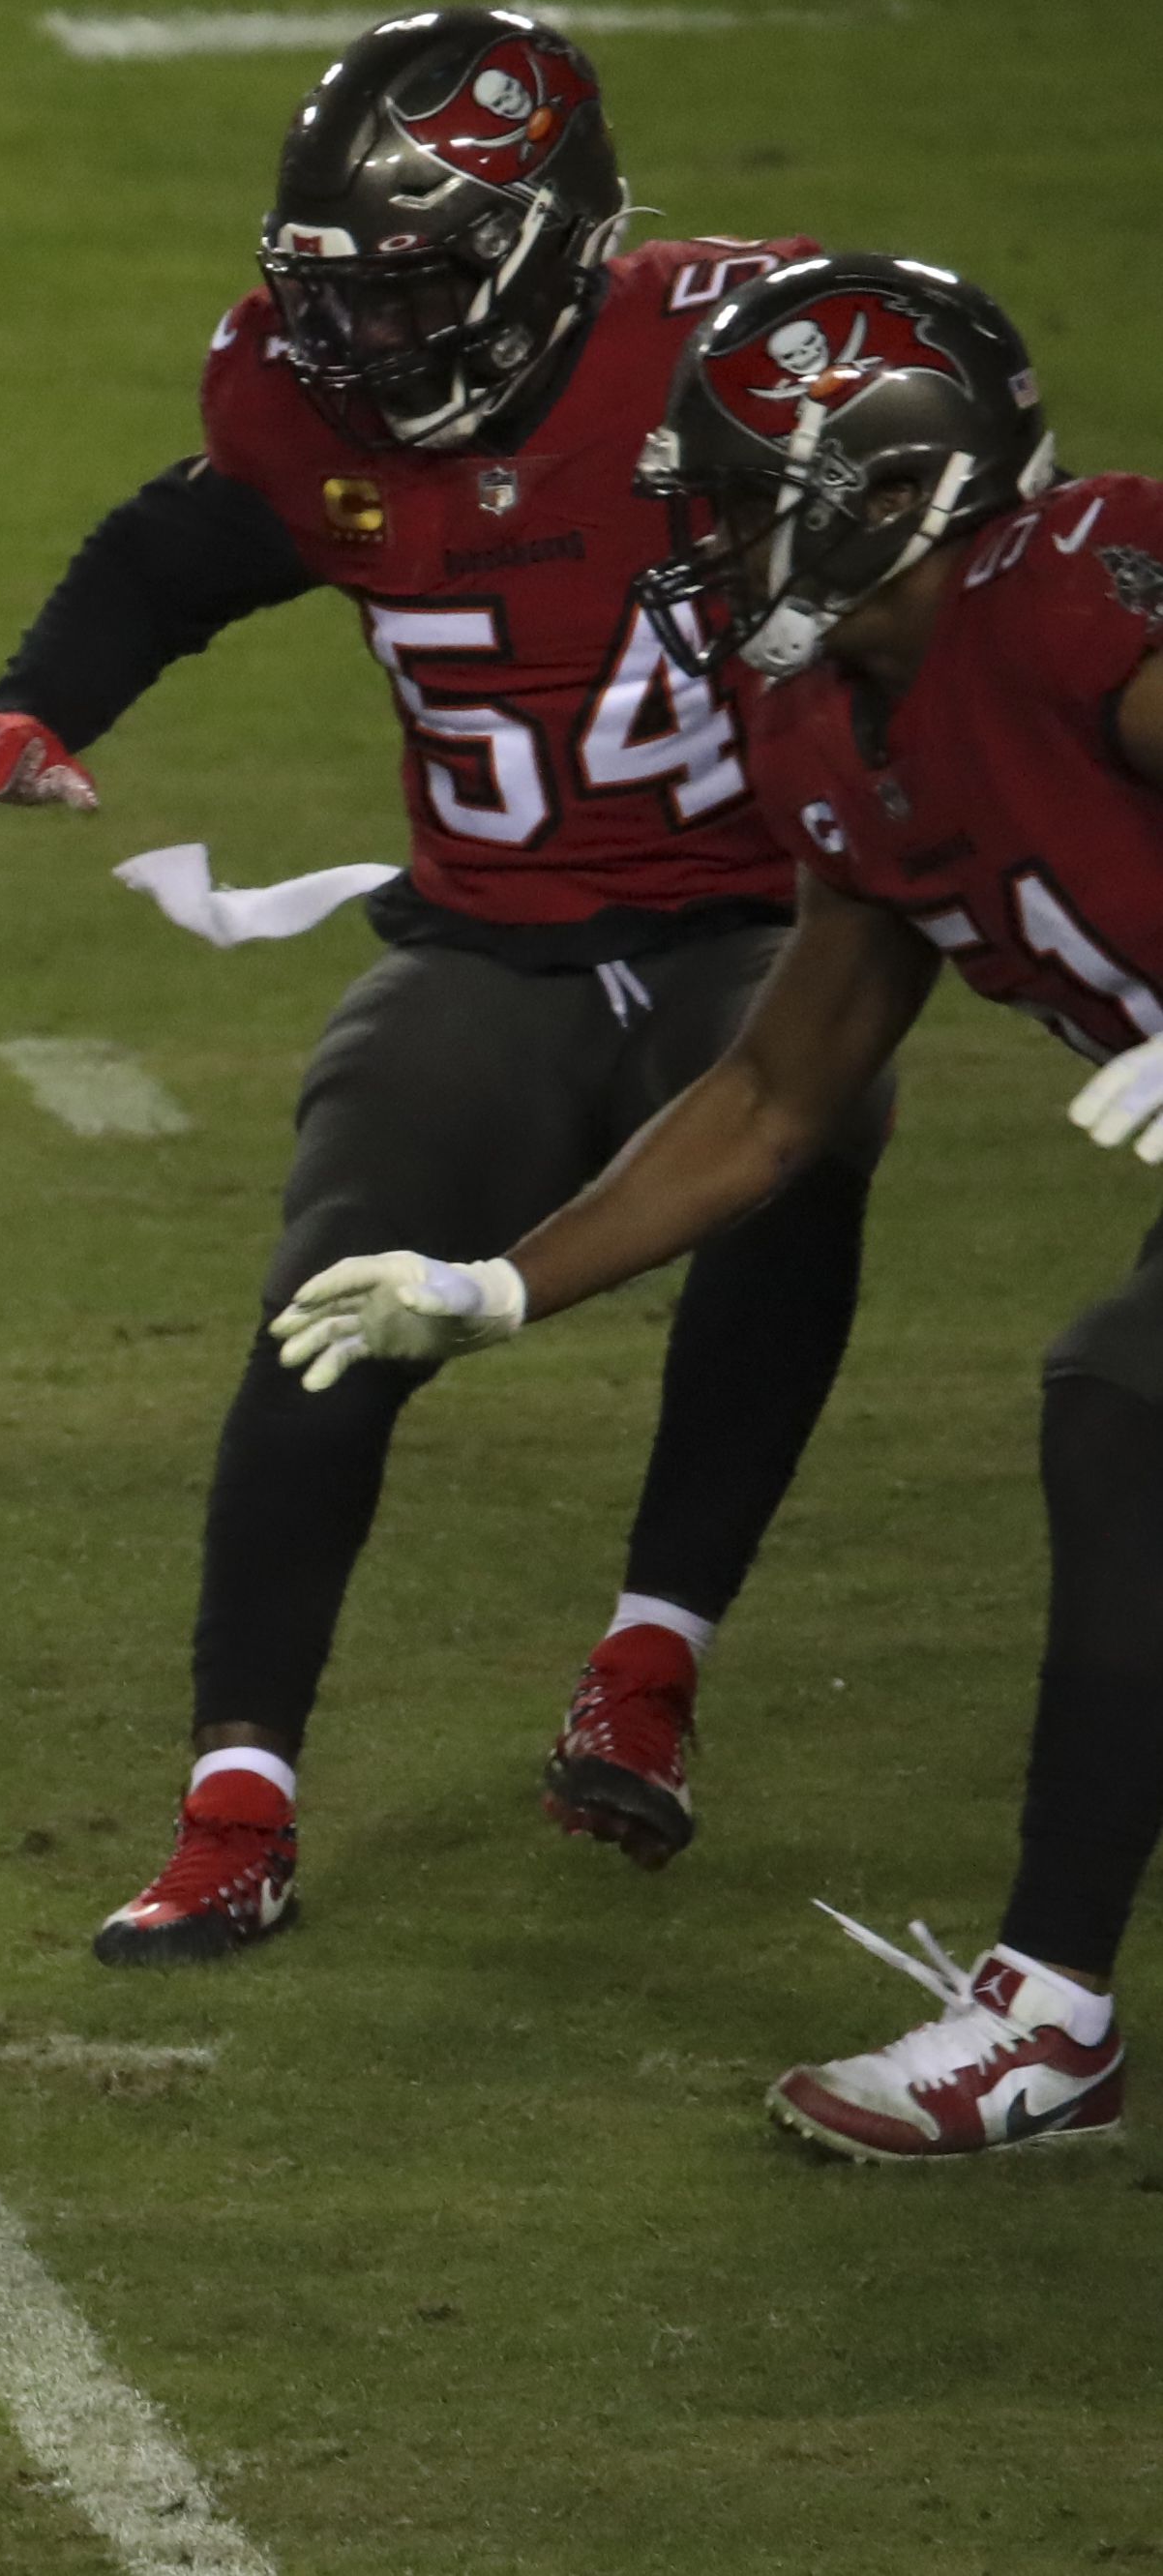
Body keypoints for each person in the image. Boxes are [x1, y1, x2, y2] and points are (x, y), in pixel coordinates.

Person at [0, 9, 888, 1963]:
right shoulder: (299, 406)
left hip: (740, 915)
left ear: (546, 251)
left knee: (809, 1138)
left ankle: (648, 1665)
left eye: (417, 285)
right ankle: (233, 1806)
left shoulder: (742, 359)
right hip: (487, 933)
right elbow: (181, 546)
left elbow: (968, 559)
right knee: (329, 1291)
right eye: (333, 294)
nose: (357, 341)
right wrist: (37, 702)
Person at [279, 254, 1149, 2158]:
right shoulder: (833, 730)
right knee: (1131, 1421)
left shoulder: (1092, 589)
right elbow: (771, 1096)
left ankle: (1051, 2018)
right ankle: (1055, 2017)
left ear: (883, 486)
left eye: (743, 499)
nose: (704, 543)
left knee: (1127, 1412)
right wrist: (495, 1289)